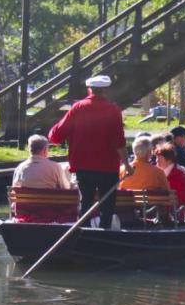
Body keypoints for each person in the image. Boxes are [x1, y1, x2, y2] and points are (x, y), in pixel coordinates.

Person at [48, 74, 127, 228]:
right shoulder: (113, 110)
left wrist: (52, 133)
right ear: (106, 90)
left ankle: (83, 231)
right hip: (108, 167)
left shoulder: (78, 108)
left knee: (85, 202)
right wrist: (127, 164)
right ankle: (105, 232)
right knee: (107, 204)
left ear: (90, 89)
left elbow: (56, 136)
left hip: (83, 166)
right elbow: (119, 141)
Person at [155, 142, 185, 208]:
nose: (156, 161)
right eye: (156, 158)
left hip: (178, 211)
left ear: (168, 159)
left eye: (159, 158)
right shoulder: (159, 173)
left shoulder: (179, 174)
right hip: (163, 210)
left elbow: (182, 198)